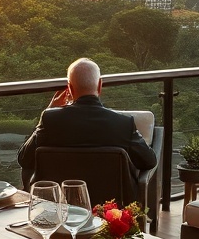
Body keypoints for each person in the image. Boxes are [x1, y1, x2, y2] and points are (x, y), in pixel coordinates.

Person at [17, 58, 157, 187]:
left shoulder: (51, 121)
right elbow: (149, 161)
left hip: (60, 206)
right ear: (100, 85)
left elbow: (24, 159)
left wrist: (48, 112)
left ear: (70, 88)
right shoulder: (123, 123)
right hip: (112, 208)